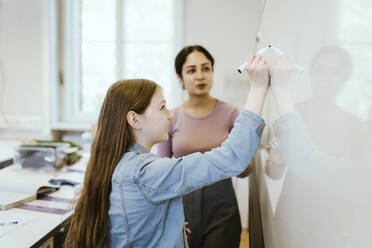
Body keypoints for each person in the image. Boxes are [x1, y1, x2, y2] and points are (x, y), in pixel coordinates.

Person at [64, 52, 269, 247]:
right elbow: (232, 157)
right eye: (162, 107)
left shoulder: (119, 163)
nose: (170, 115)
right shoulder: (147, 171)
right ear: (134, 119)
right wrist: (258, 88)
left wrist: (166, 228)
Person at [158, 45, 252, 248]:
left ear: (212, 72)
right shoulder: (170, 118)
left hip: (222, 207)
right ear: (180, 78)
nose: (200, 76)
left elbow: (246, 169)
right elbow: (162, 172)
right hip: (180, 206)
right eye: (191, 70)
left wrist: (244, 156)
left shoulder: (231, 113)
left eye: (206, 68)